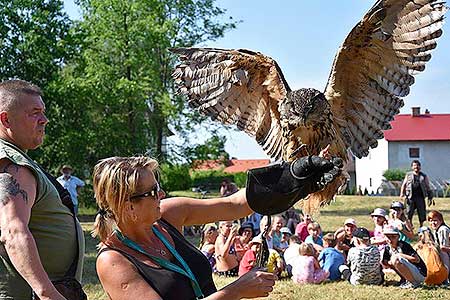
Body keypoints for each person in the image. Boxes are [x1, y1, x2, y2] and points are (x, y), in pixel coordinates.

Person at [92, 153, 341, 299]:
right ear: (128, 206)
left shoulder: (167, 215)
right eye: (153, 191)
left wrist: (295, 176)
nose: (162, 193)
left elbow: (235, 205)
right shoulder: (113, 261)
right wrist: (236, 291)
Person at [0, 79, 84, 299]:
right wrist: (48, 294)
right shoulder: (13, 166)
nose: (44, 120)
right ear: (6, 119)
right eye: (35, 113)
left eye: (43, 112)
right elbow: (13, 231)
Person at [400, 160, 433, 227]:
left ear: (420, 167)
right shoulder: (408, 175)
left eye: (417, 165)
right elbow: (404, 184)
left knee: (422, 214)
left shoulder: (423, 176)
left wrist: (430, 196)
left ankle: (422, 227)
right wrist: (402, 194)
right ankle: (410, 227)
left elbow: (428, 186)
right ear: (412, 167)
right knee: (409, 213)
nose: (416, 167)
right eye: (414, 165)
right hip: (410, 197)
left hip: (420, 197)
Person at [427, 210, 450, 278]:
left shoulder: (443, 229)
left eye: (435, 220)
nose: (433, 223)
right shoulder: (436, 230)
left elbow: (444, 247)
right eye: (431, 221)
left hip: (447, 252)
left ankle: (446, 276)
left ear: (441, 221)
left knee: (442, 252)